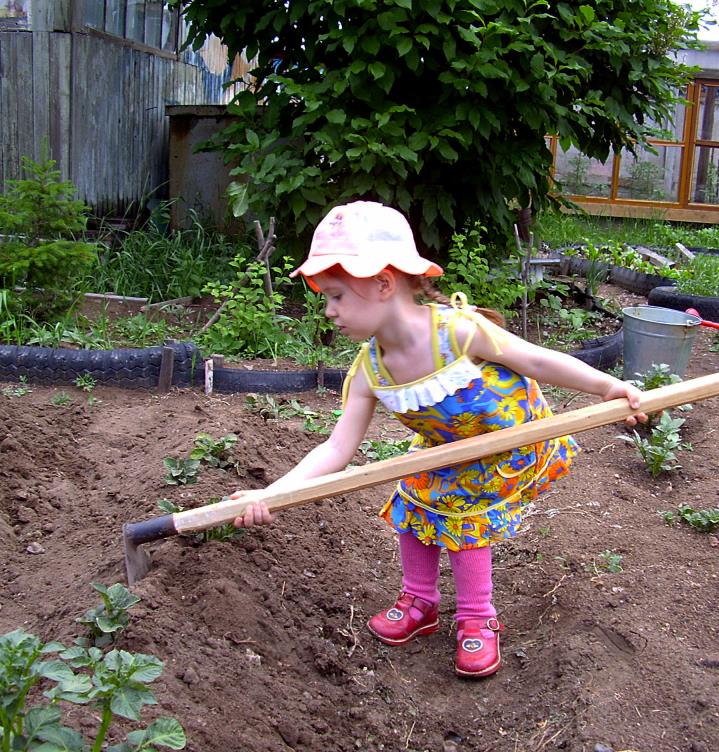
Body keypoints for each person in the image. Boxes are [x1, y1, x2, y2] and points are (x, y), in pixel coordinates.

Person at [231, 200, 645, 678]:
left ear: (383, 283)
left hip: (511, 443)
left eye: (337, 295)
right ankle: (421, 602)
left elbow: (536, 360)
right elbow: (336, 449)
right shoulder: (370, 371)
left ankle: (476, 616)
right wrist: (272, 493)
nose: (328, 310)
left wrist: (610, 387)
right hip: (448, 449)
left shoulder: (457, 333)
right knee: (415, 498)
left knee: (462, 514)